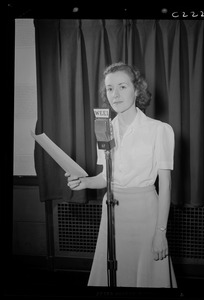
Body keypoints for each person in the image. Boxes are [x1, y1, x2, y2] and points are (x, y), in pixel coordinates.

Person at [65, 62, 177, 288]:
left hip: (146, 214)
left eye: (122, 87)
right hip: (113, 215)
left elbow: (165, 186)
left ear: (137, 90)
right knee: (114, 277)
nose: (115, 94)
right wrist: (84, 182)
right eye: (109, 88)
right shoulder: (103, 127)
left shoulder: (159, 130)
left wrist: (160, 233)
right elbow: (106, 177)